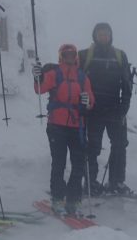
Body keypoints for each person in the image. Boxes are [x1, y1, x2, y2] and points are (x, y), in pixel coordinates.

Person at [33, 44, 95, 215]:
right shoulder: (54, 73)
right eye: (66, 54)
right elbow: (40, 88)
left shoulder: (83, 77)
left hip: (77, 127)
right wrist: (37, 76)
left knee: (78, 164)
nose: (69, 56)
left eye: (72, 54)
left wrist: (86, 102)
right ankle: (58, 198)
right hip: (56, 126)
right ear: (61, 56)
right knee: (59, 163)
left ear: (75, 56)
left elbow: (91, 99)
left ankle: (74, 199)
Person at [78, 22, 133, 195]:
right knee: (93, 147)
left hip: (115, 109)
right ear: (95, 36)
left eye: (106, 34)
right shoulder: (85, 55)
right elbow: (73, 77)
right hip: (93, 110)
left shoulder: (119, 55)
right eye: (100, 34)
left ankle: (116, 182)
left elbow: (127, 84)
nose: (103, 36)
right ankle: (91, 182)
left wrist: (124, 107)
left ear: (111, 36)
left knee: (119, 145)